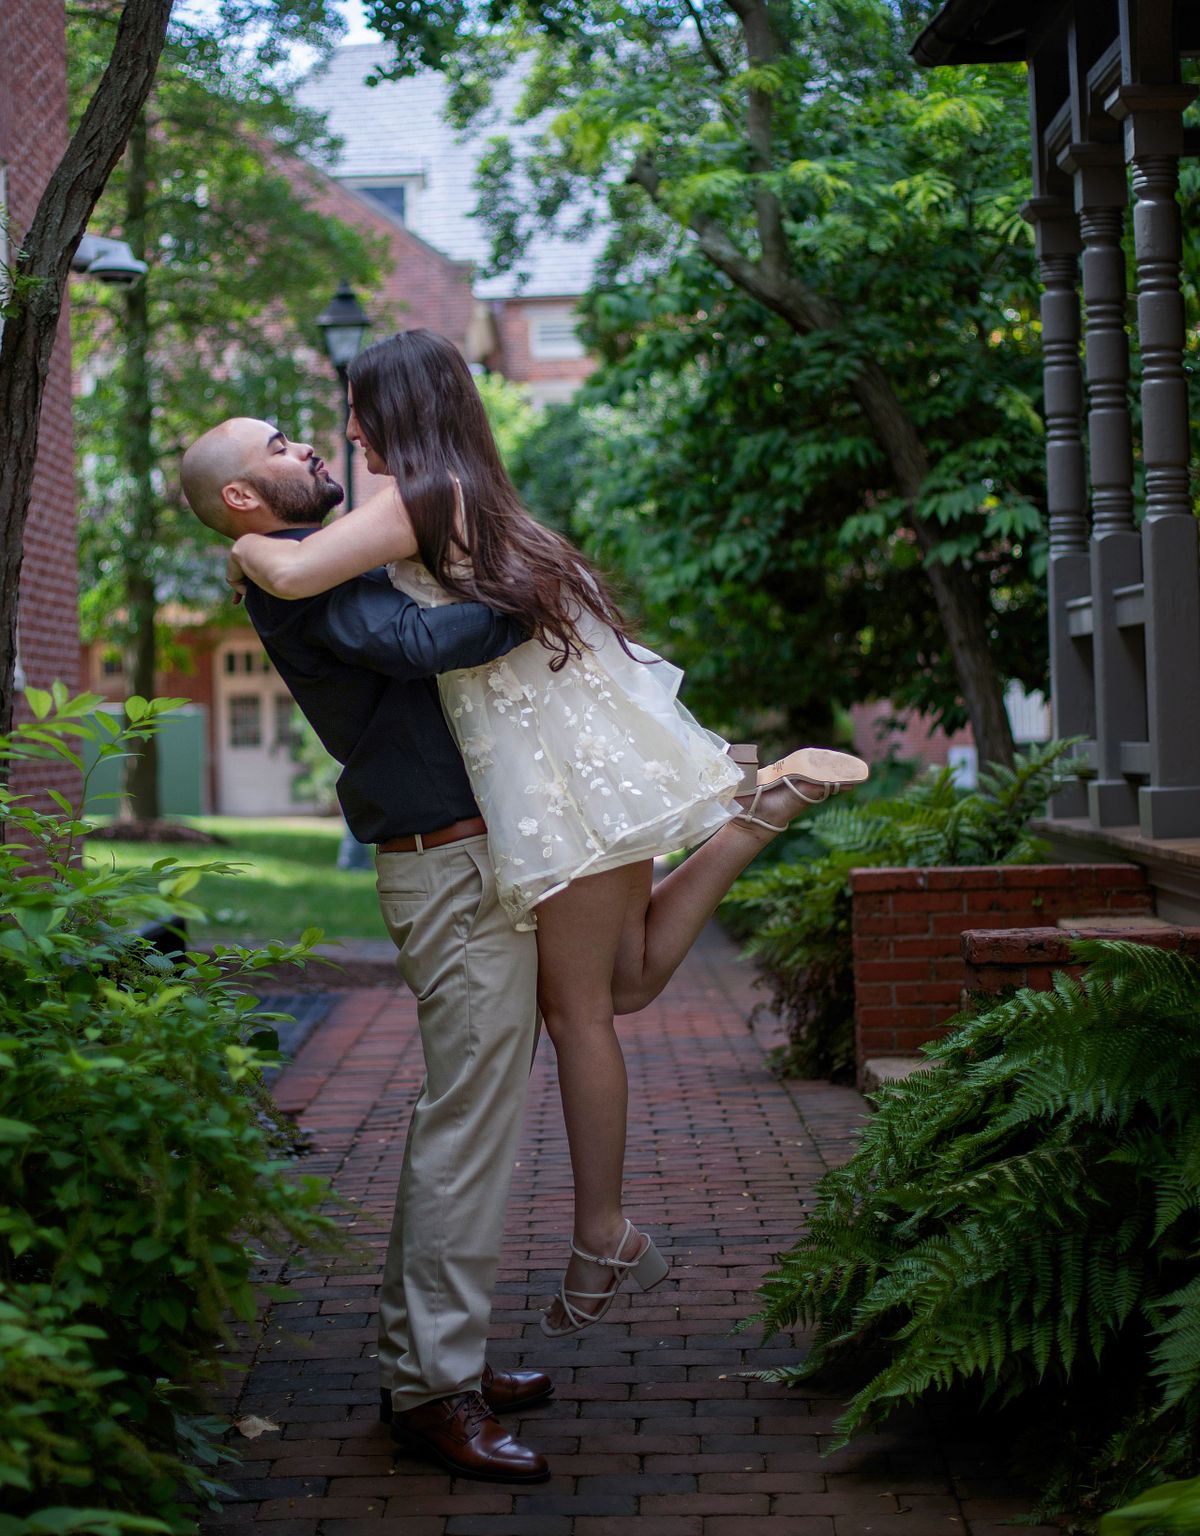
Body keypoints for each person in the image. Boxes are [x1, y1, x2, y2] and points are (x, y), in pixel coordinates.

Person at [226, 330, 869, 1340]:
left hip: (546, 769)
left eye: (355, 408)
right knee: (619, 986)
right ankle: (762, 813)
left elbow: (302, 581)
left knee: (588, 1011)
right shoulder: (473, 492)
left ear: (396, 411)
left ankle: (603, 1231)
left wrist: (247, 546)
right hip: (582, 747)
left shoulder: (411, 501)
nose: (344, 431)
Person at [181, 418, 554, 1484]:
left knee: (470, 1118)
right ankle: (433, 1390)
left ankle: (439, 1360)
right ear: (245, 500)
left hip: (455, 855)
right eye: (280, 446)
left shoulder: (309, 560)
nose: (308, 447)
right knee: (463, 1125)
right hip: (441, 861)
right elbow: (424, 646)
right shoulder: (302, 575)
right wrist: (533, 591)